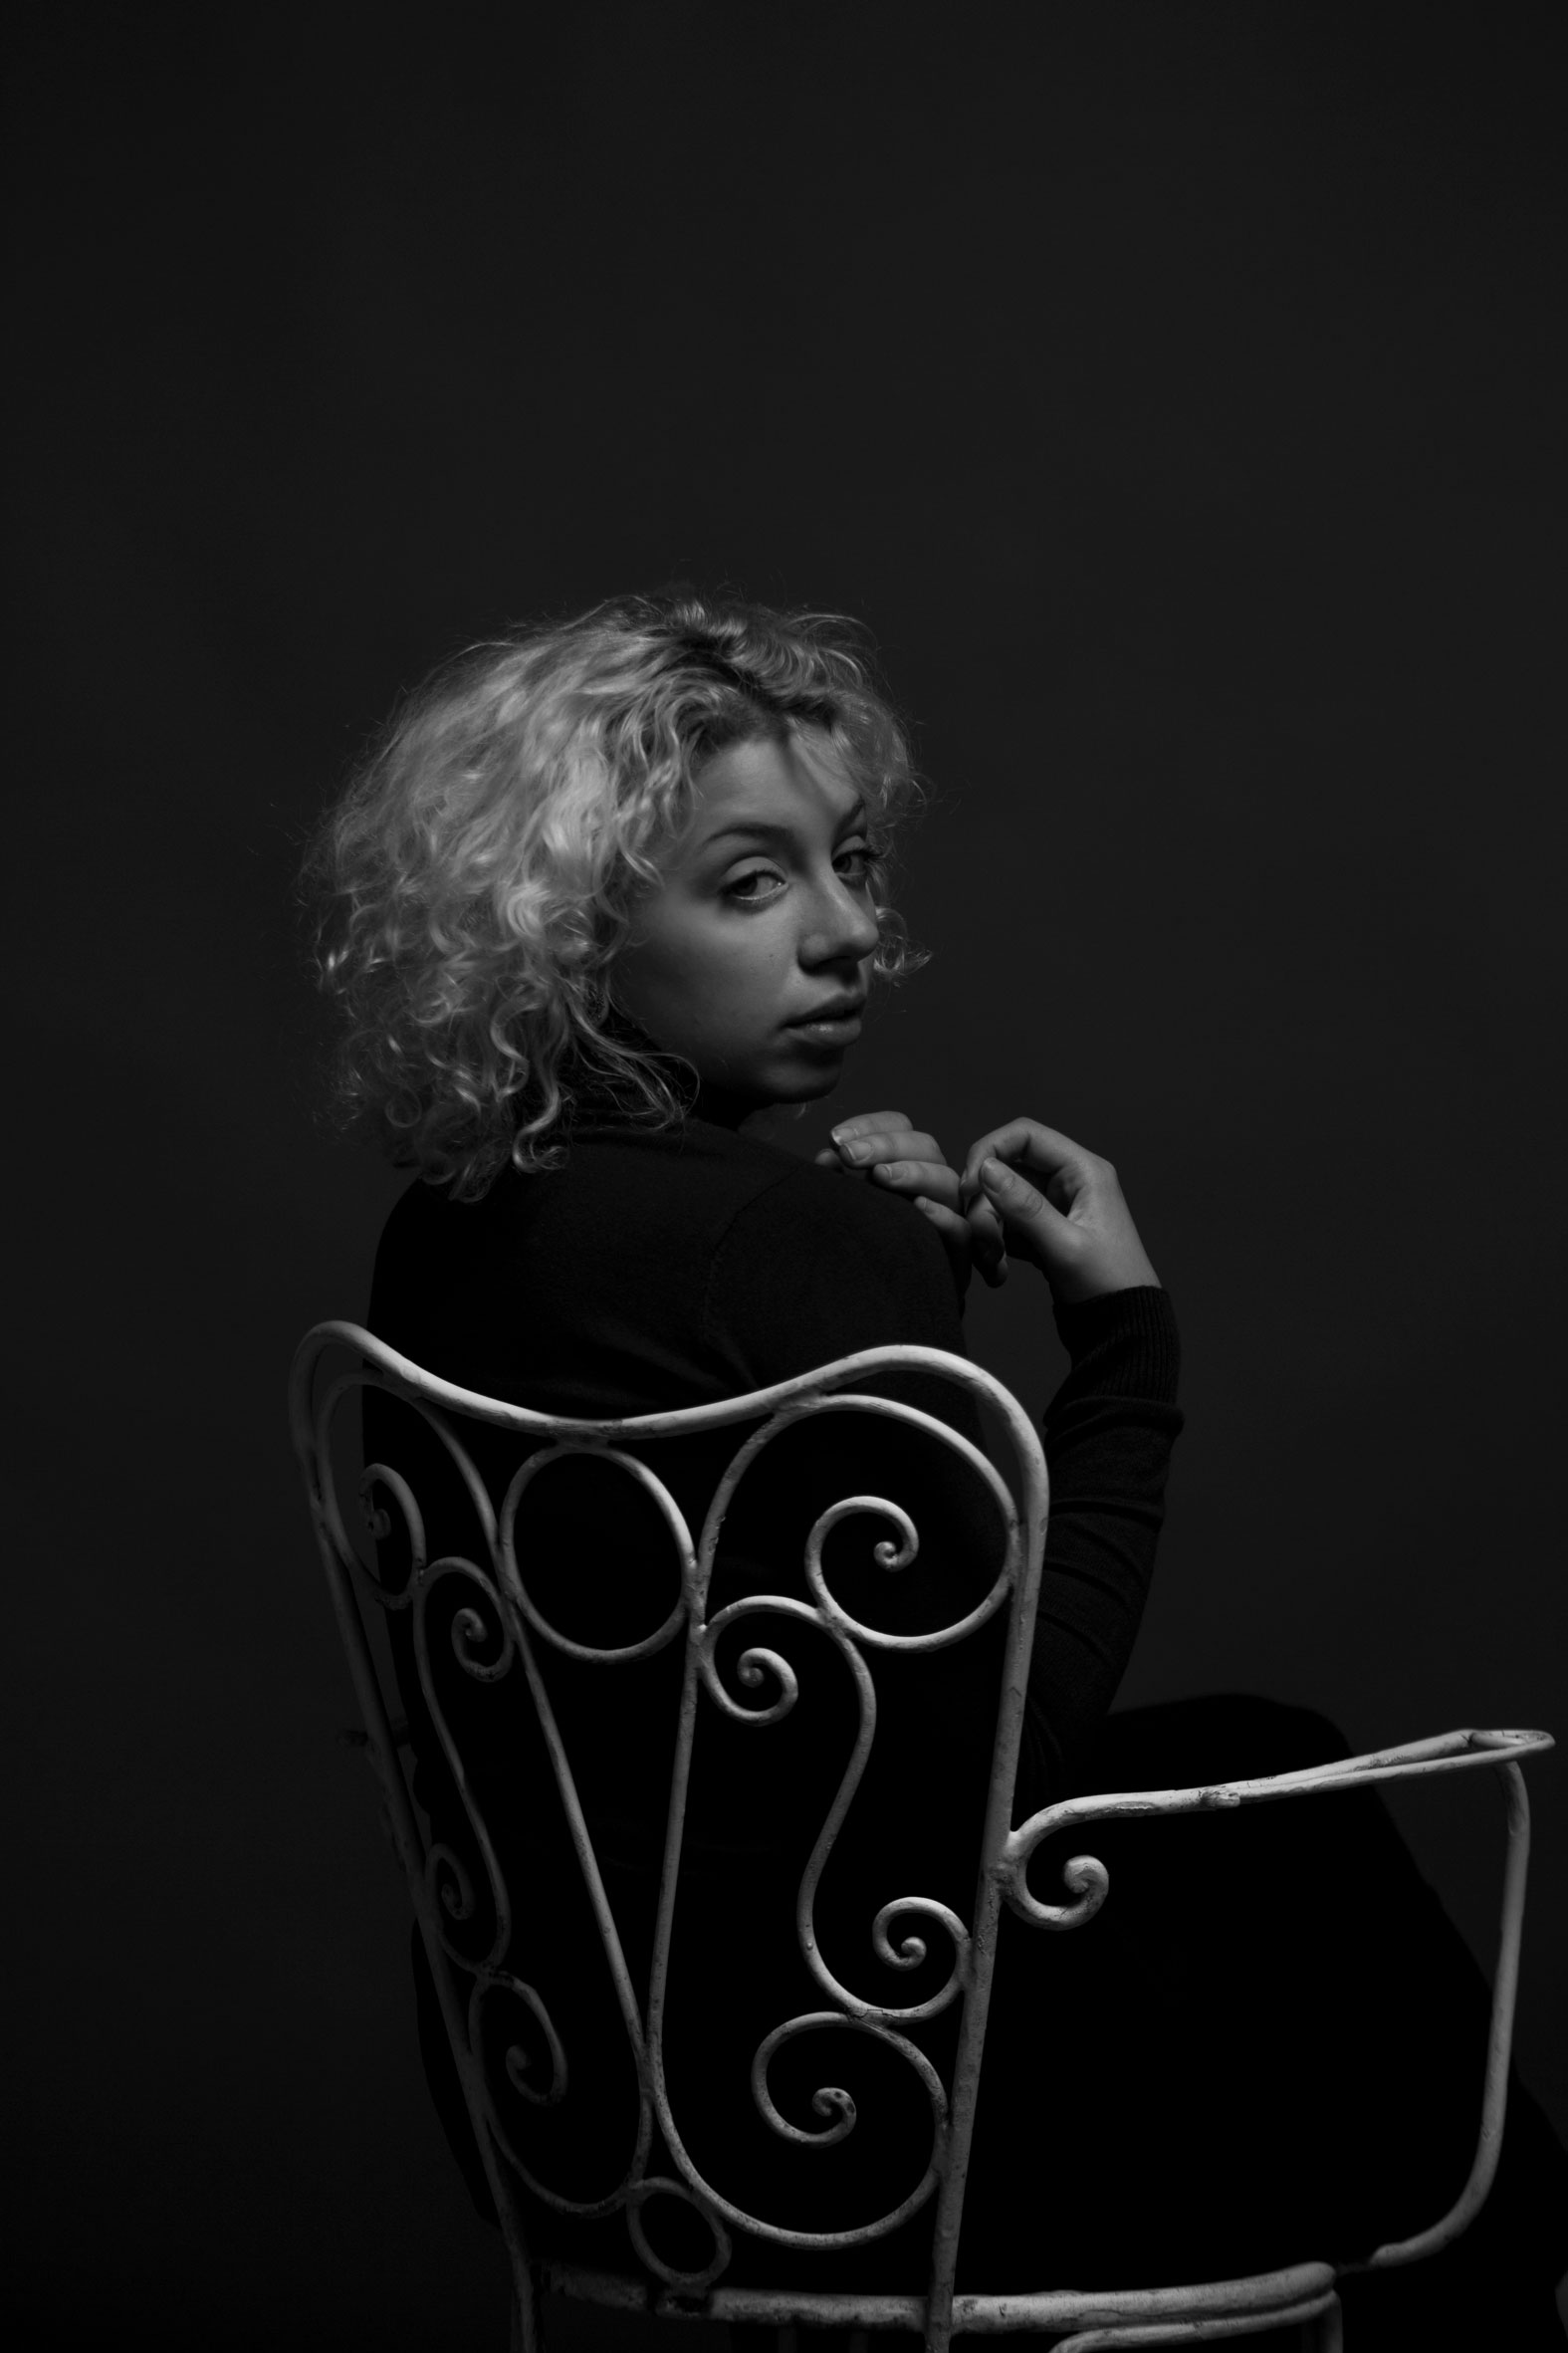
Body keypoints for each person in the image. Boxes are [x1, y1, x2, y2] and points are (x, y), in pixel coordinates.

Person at [308, 591, 1567, 2346]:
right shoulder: (794, 1249)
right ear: (572, 927)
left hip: (568, 2099)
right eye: (753, 884)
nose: (848, 935)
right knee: (1299, 1850)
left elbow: (713, 1692)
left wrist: (869, 1271)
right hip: (875, 2124)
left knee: (1250, 1749)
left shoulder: (446, 1234)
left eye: (851, 864)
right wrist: (1121, 1346)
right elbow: (999, 1770)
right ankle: (1511, 2296)